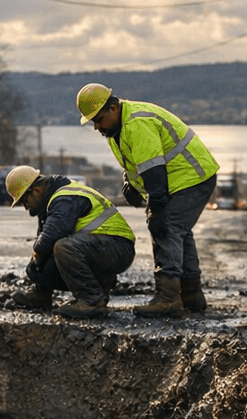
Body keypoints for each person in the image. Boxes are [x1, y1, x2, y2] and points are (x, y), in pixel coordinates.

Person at [75, 84, 219, 316]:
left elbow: (153, 169)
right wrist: (130, 182)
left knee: (167, 227)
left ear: (113, 108)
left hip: (191, 178)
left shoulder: (135, 124)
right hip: (185, 178)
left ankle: (168, 298)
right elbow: (136, 160)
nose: (96, 126)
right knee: (179, 231)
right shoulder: (116, 128)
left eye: (98, 119)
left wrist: (157, 207)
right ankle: (191, 295)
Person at [4, 165, 135, 319]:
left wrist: (35, 263)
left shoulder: (65, 198)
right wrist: (39, 275)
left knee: (64, 247)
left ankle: (92, 301)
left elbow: (52, 235)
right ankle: (42, 295)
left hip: (118, 248)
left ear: (37, 190)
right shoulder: (50, 201)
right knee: (52, 254)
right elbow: (45, 241)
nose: (26, 207)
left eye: (24, 200)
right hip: (101, 248)